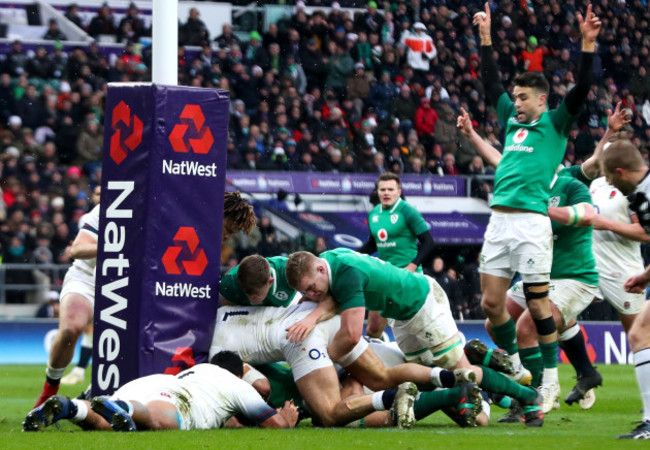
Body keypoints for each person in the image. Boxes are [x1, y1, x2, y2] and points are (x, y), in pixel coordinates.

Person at [473, 3, 600, 391]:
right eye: (516, 97)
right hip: (499, 219)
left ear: (542, 101)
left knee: (536, 306)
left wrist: (588, 46)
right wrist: (486, 39)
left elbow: (581, 89)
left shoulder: (556, 123)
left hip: (531, 220)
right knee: (491, 306)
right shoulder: (512, 121)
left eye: (524, 97)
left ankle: (547, 382)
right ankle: (515, 367)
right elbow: (491, 83)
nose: (517, 102)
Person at [34, 190, 256, 407]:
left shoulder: (186, 226)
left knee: (136, 347)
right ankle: (49, 390)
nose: (228, 236)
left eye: (232, 233)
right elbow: (78, 249)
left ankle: (94, 394)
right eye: (228, 229)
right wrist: (121, 246)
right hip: (89, 280)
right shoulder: (114, 209)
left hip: (129, 289)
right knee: (71, 330)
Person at [285, 248, 543, 426]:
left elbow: (351, 335)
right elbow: (331, 299)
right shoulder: (330, 261)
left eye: (311, 288)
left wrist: (320, 362)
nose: (311, 295)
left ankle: (528, 396)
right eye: (304, 292)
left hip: (423, 304)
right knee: (428, 380)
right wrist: (312, 315)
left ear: (320, 268)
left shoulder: (347, 274)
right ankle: (478, 360)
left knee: (463, 378)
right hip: (401, 315)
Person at [458, 107, 600, 416]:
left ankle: (539, 392)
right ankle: (534, 383)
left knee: (527, 326)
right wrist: (471, 135)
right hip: (543, 274)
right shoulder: (521, 177)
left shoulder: (570, 185)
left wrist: (548, 212)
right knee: (493, 320)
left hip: (574, 276)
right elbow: (497, 158)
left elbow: (590, 214)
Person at [24, 353, 298, 431]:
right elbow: (275, 425)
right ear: (239, 373)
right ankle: (124, 409)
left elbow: (229, 421)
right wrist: (287, 419)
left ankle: (72, 408)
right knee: (158, 419)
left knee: (107, 425)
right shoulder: (235, 383)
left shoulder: (199, 372)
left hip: (152, 384)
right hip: (176, 400)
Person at [599, 139, 650, 439]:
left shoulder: (643, 196)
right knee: (640, 332)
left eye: (608, 176)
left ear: (620, 171)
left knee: (640, 333)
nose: (608, 183)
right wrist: (645, 277)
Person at [357, 172, 434, 338]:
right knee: (373, 329)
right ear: (377, 191)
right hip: (384, 274)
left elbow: (428, 242)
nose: (386, 193)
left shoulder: (408, 211)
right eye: (382, 189)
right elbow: (373, 243)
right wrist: (353, 255)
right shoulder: (374, 213)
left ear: (398, 191)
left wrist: (411, 267)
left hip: (408, 276)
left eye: (390, 189)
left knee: (416, 330)